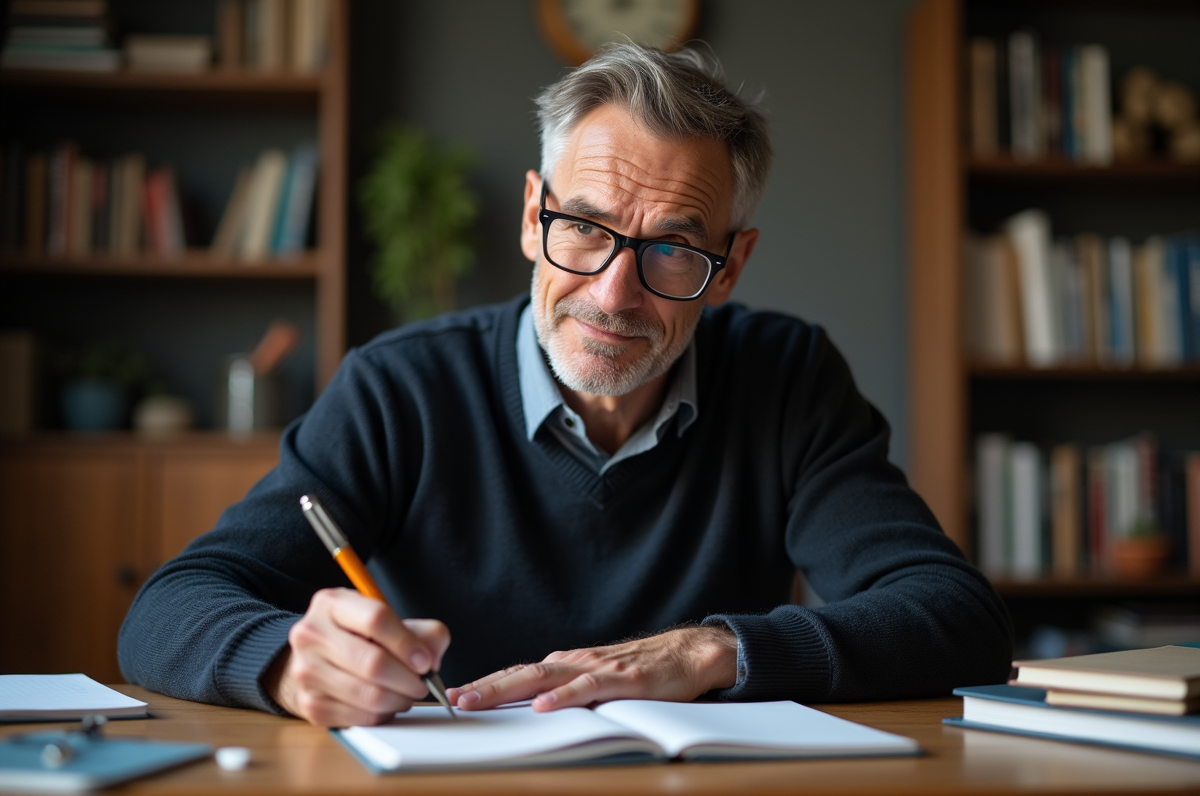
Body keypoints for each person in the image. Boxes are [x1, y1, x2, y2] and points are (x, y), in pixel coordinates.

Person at [119, 43, 1012, 728]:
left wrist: (715, 649)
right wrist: (286, 661)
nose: (613, 294)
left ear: (732, 266)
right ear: (531, 215)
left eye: (672, 248)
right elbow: (168, 608)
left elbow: (957, 617)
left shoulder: (790, 379)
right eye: (584, 227)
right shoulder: (401, 385)